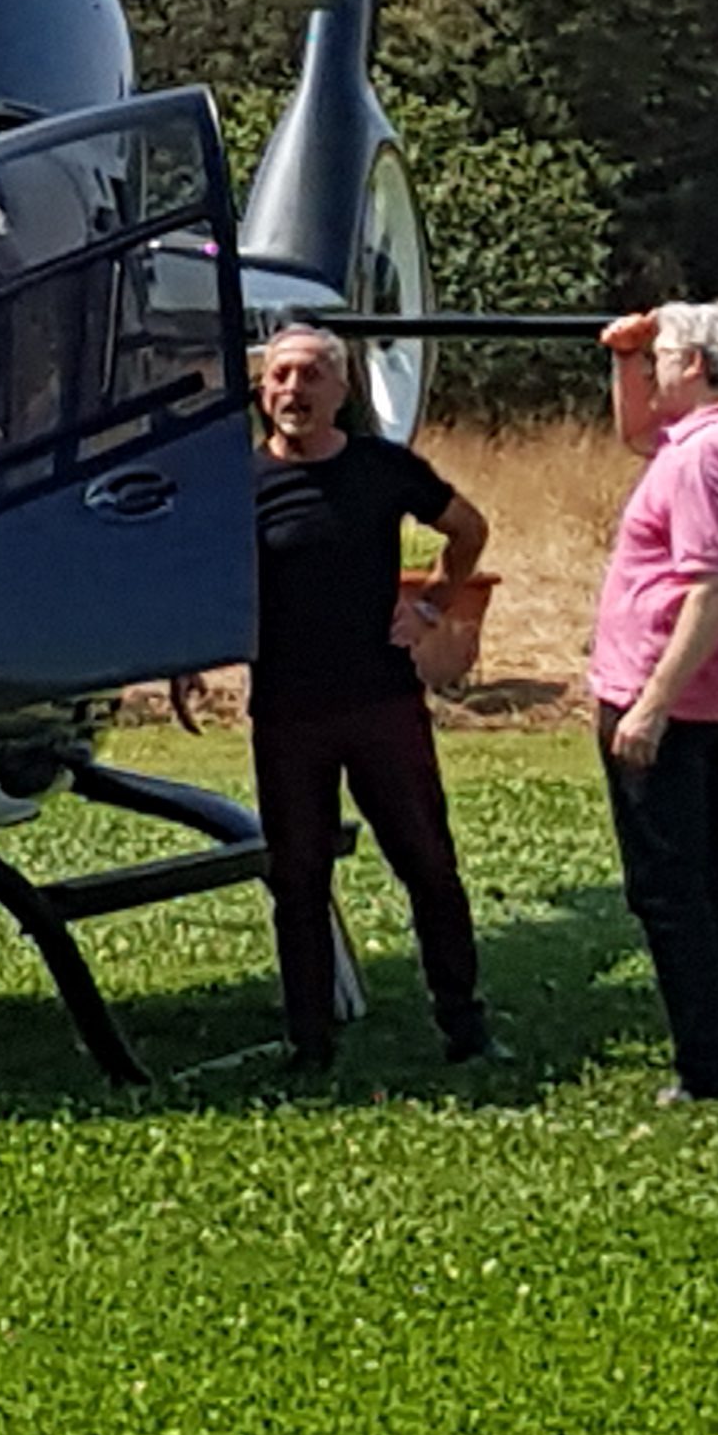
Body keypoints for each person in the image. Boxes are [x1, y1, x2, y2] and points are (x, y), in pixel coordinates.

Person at [247, 321, 495, 1071]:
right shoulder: (242, 485)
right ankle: (309, 1041)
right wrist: (191, 662)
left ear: (342, 390)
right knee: (297, 877)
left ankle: (464, 1023)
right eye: (282, 376)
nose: (295, 391)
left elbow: (468, 530)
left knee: (426, 864)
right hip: (287, 710)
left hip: (381, 703)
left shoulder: (382, 470)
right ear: (263, 390)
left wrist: (430, 606)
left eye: (312, 377)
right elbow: (206, 582)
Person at [590, 299, 718, 1103]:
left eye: (662, 355)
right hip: (708, 696)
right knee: (706, 879)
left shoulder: (705, 460)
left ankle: (708, 1068)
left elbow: (710, 589)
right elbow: (635, 432)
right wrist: (625, 356)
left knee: (669, 889)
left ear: (696, 364)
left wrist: (650, 705)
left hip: (669, 701)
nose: (655, 365)